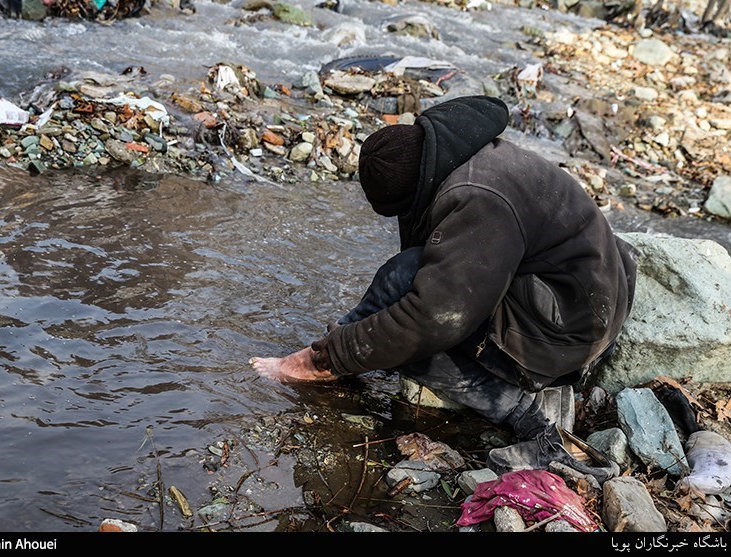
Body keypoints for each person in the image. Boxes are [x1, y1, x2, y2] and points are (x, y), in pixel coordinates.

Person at [250, 95, 638, 483]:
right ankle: (333, 350)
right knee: (403, 295)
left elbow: (434, 320)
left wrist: (342, 354)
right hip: (588, 293)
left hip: (566, 333)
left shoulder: (477, 200)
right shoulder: (465, 152)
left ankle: (526, 414)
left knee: (404, 327)